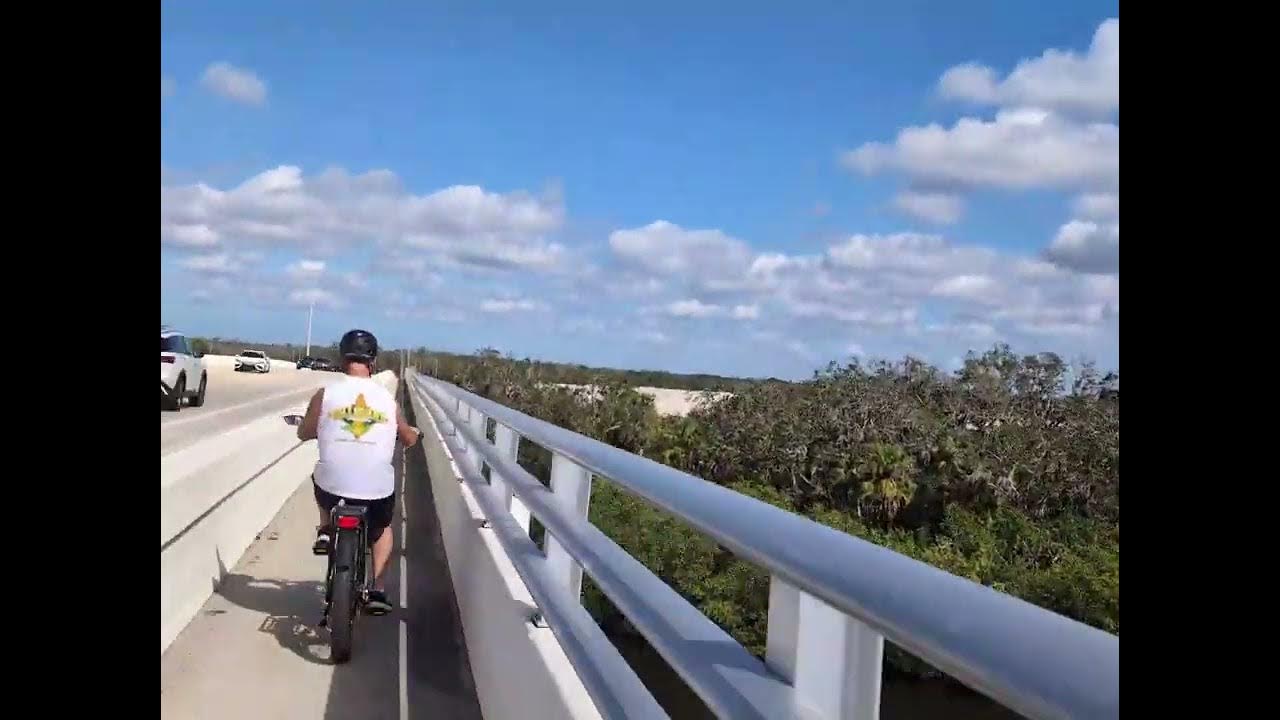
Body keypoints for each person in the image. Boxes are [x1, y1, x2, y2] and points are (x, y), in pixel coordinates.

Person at [294, 328, 421, 615]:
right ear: (372, 361)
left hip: (331, 487)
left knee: (319, 477)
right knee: (381, 528)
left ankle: (326, 528)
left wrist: (315, 430)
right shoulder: (388, 401)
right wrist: (412, 434)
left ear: (342, 358)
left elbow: (305, 431)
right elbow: (409, 438)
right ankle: (377, 587)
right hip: (376, 491)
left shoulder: (325, 394)